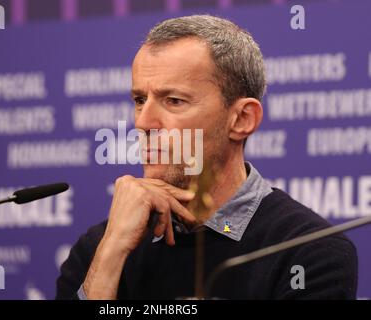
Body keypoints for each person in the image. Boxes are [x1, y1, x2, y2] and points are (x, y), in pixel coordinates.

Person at [56, 15, 358, 300]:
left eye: (173, 100)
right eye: (139, 100)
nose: (143, 123)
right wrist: (111, 254)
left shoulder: (308, 251)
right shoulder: (100, 248)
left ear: (241, 119)